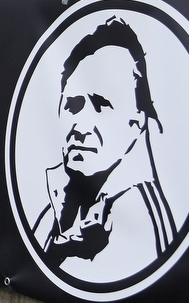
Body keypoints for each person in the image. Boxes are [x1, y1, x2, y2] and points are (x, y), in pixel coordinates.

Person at [32, 17, 176, 279]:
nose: (80, 126)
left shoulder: (147, 227)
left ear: (138, 121)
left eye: (102, 105)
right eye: (73, 105)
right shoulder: (54, 204)